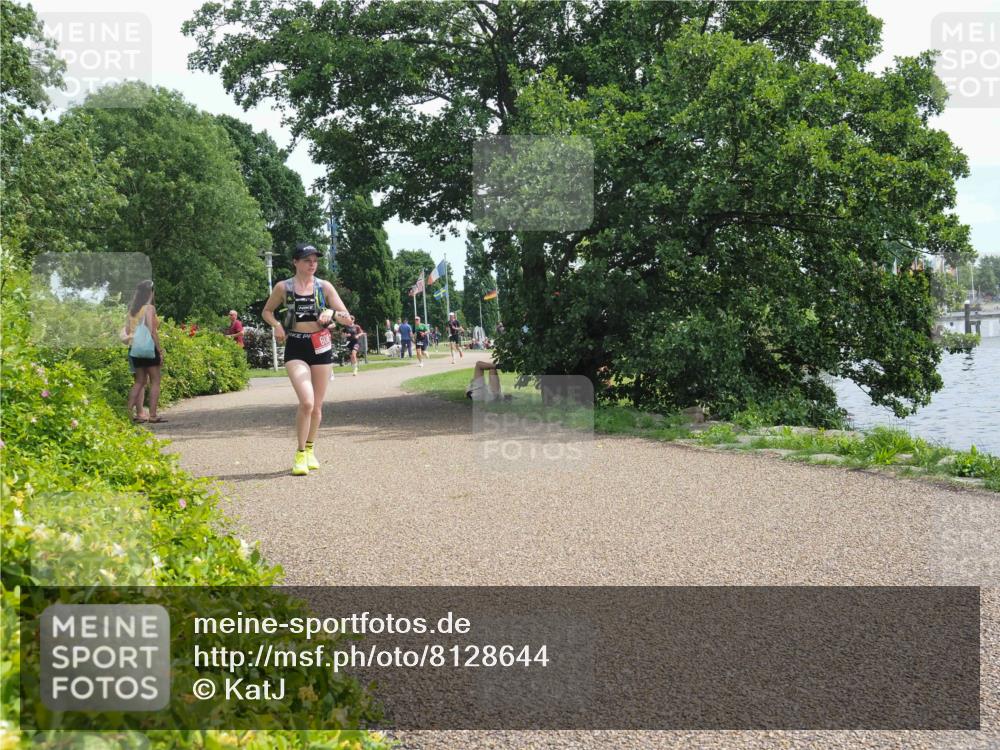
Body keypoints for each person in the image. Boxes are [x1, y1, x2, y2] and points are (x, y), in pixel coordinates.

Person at [262, 243, 352, 476]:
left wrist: (332, 313)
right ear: (295, 262)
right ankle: (300, 453)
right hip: (296, 345)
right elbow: (266, 311)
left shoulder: (324, 286)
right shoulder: (283, 287)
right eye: (306, 260)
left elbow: (347, 318)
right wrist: (277, 325)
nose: (312, 264)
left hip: (320, 346)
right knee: (307, 402)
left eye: (315, 260)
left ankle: (311, 450)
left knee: (317, 406)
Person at [123, 280, 166, 423]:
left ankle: (127, 414)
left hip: (135, 349)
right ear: (150, 293)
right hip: (148, 348)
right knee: (155, 381)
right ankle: (152, 415)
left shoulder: (132, 310)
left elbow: (128, 331)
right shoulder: (149, 308)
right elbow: (152, 331)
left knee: (139, 382)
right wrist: (159, 350)